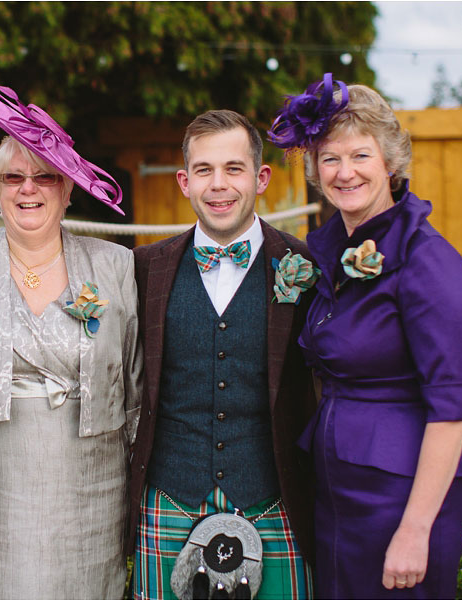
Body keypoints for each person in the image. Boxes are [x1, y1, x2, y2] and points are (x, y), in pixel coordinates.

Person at [268, 74, 462, 598]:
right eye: (330, 159)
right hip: (337, 488)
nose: (345, 172)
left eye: (360, 156)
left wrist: (414, 530)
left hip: (402, 495)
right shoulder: (329, 249)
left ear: (390, 161)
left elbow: (451, 410)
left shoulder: (426, 260)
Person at [0, 78, 142, 599]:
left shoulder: (116, 264)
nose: (27, 189)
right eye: (13, 178)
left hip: (94, 492)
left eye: (44, 177)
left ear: (69, 187)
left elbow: (139, 386)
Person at [129, 109, 318, 600]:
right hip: (169, 496)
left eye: (234, 169)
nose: (219, 185)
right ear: (183, 181)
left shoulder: (303, 267)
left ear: (261, 177)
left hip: (274, 499)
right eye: (204, 170)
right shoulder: (144, 269)